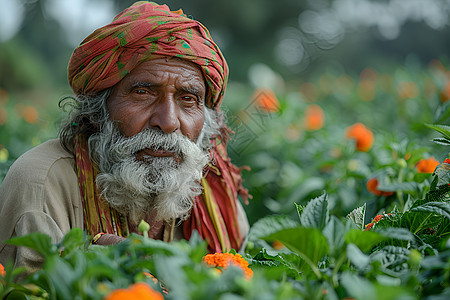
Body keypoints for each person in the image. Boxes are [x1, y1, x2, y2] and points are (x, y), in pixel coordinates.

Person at [0, 1, 250, 276]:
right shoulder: (41, 184)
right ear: (97, 109)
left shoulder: (219, 202)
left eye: (188, 99)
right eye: (143, 93)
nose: (167, 122)